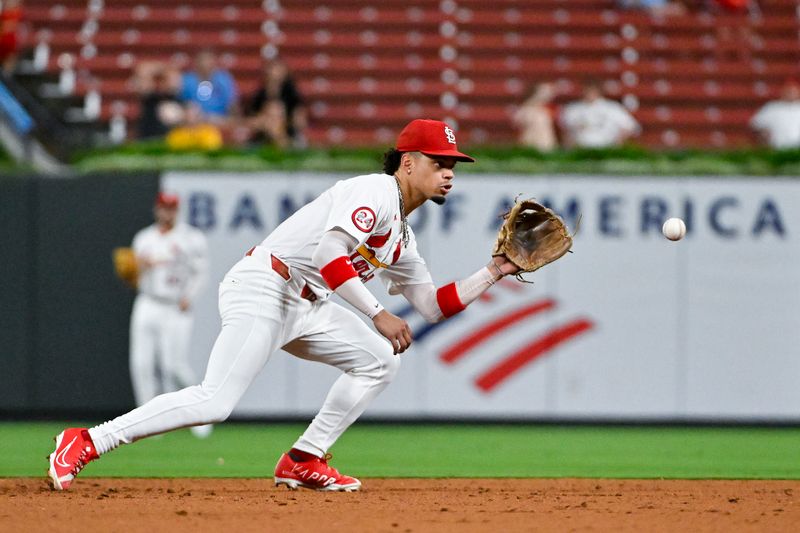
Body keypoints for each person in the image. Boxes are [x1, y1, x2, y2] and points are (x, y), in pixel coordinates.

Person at [47, 118, 523, 492]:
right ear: (406, 163)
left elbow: (434, 306)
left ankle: (303, 459)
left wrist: (494, 270)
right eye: (438, 161)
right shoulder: (375, 190)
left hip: (309, 303)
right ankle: (88, 440)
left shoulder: (401, 235)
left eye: (452, 165)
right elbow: (327, 254)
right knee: (215, 400)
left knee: (379, 361)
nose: (448, 172)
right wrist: (376, 313)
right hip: (267, 284)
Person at [129, 192, 211, 438]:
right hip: (147, 302)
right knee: (141, 364)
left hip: (175, 305)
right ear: (157, 209)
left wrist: (190, 296)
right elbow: (132, 278)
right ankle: (149, 424)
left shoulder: (191, 238)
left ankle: (202, 415)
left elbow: (201, 272)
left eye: (171, 208)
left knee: (173, 366)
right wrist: (138, 268)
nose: (167, 212)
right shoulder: (143, 238)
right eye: (164, 207)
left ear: (177, 210)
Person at [245, 59, 308, 148]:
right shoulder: (259, 95)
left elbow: (300, 120)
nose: (275, 74)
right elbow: (249, 118)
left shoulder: (292, 95)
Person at [559, 82, 641, 148]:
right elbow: (565, 130)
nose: (590, 93)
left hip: (607, 148)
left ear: (599, 91)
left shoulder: (612, 108)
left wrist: (619, 139)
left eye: (593, 90)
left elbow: (632, 127)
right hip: (581, 148)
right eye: (588, 90)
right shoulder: (572, 109)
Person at [179, 49, 239, 124]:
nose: (205, 64)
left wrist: (234, 119)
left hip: (220, 119)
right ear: (196, 63)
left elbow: (232, 103)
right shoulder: (187, 80)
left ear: (214, 62)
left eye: (208, 60)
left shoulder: (223, 79)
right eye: (202, 61)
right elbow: (183, 102)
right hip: (195, 119)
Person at [750, 80, 800, 149]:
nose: (791, 94)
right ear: (783, 92)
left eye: (793, 92)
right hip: (777, 148)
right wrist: (763, 133)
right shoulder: (772, 107)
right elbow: (755, 124)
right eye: (788, 91)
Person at [512, 82, 559, 151]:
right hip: (531, 144)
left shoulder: (545, 111)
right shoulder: (526, 110)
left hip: (547, 145)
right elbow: (517, 122)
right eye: (543, 91)